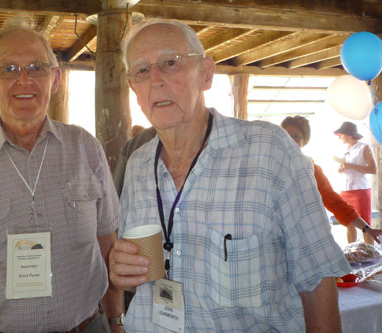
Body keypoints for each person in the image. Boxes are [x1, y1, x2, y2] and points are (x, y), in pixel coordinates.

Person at [109, 18, 351, 332]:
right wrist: (121, 270)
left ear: (206, 74)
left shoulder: (270, 152)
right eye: (142, 70)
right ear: (133, 88)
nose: (155, 80)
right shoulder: (138, 164)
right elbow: (136, 276)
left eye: (170, 63)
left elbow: (317, 279)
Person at [0, 16, 124, 333]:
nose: (24, 80)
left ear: (55, 80)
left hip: (86, 326)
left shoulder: (86, 149)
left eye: (37, 68)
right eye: (9, 69)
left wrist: (115, 321)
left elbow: (107, 244)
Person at [281, 116, 382, 244]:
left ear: (304, 140)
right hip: (277, 232)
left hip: (302, 232)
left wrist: (367, 228)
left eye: (296, 136)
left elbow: (332, 200)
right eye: (287, 135)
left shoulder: (311, 167)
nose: (291, 140)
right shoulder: (268, 164)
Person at [334, 121, 377, 245]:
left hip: (360, 191)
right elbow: (346, 168)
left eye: (341, 134)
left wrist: (350, 166)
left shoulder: (364, 147)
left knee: (365, 225)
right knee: (348, 223)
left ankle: (370, 253)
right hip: (345, 191)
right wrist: (341, 168)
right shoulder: (345, 149)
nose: (339, 137)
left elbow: (373, 169)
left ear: (348, 134)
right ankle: (351, 252)